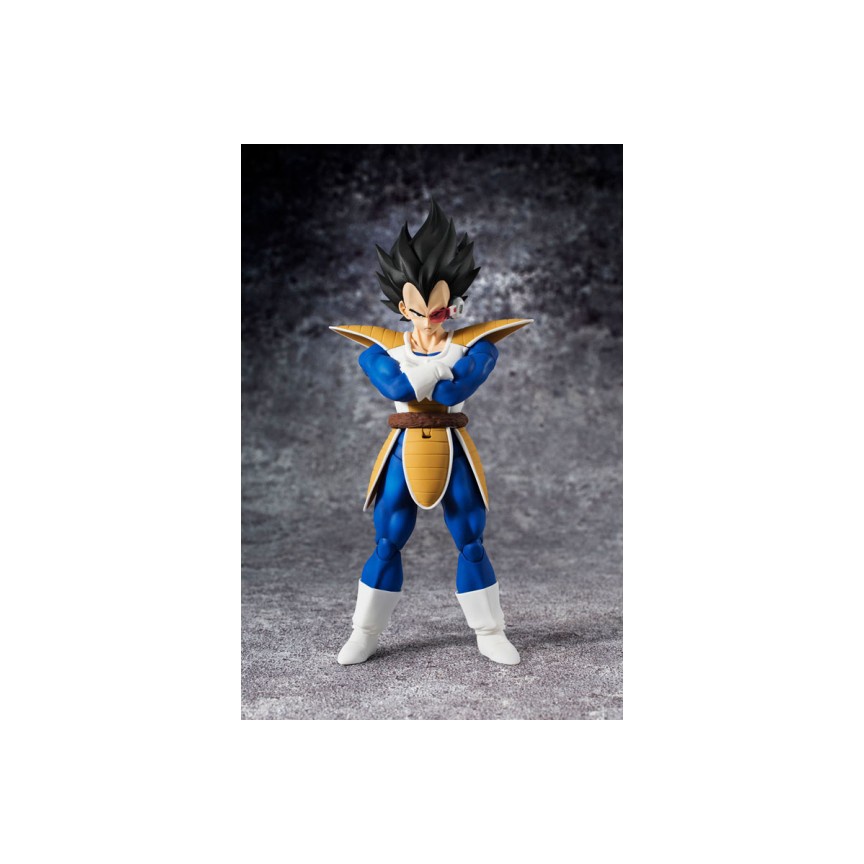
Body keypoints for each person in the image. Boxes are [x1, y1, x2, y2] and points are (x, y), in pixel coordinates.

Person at [330, 201, 532, 666]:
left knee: (471, 539)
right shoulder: (379, 349)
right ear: (404, 306)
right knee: (387, 540)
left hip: (453, 447)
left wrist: (436, 372)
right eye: (422, 303)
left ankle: (490, 631)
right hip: (402, 450)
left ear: (455, 299)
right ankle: (365, 632)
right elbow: (397, 388)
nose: (432, 312)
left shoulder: (477, 346)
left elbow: (456, 391)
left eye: (441, 301)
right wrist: (442, 367)